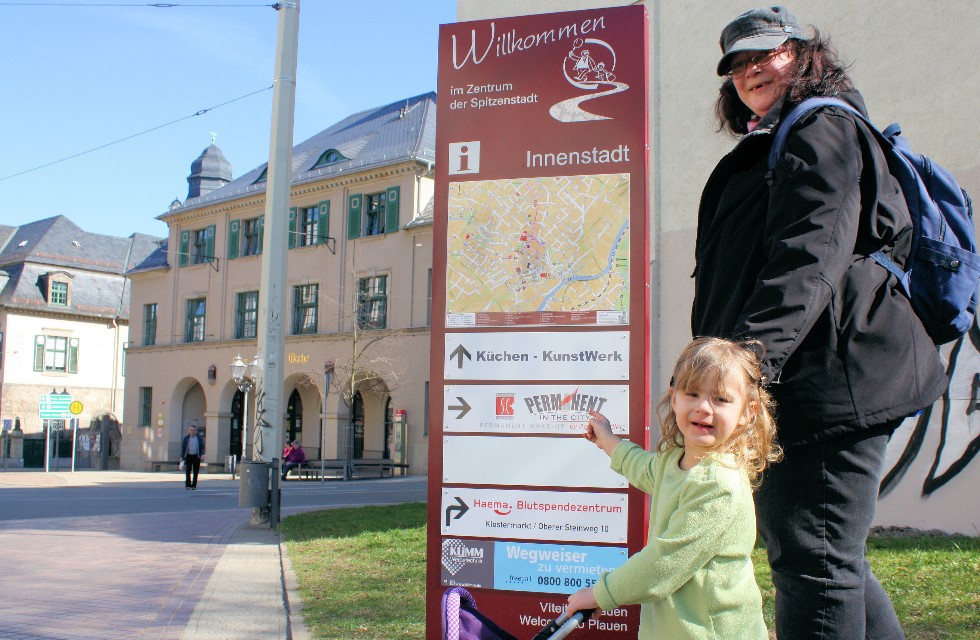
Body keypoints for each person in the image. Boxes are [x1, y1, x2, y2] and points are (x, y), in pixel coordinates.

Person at [693, 7, 947, 639]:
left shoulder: (821, 127)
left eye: (764, 55)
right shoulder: (782, 136)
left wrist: (742, 368)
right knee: (832, 559)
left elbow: (811, 257)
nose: (750, 71)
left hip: (829, 383)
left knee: (814, 562)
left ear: (805, 54)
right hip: (813, 376)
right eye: (737, 65)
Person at [565, 337, 781, 640]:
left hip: (711, 632)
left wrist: (602, 594)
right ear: (675, 398)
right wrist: (607, 441)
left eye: (720, 399)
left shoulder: (719, 485)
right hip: (673, 628)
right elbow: (648, 470)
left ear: (748, 412)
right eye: (692, 393)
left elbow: (665, 561)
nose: (704, 407)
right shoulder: (677, 458)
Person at [179, 424, 205, 490]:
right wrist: (181, 456)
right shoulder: (186, 438)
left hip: (196, 456)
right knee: (188, 471)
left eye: (193, 430)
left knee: (196, 471)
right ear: (189, 431)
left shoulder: (199, 438)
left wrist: (202, 455)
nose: (192, 431)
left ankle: (194, 485)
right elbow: (183, 448)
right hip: (188, 456)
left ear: (196, 431)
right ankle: (188, 485)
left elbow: (202, 447)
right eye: (191, 430)